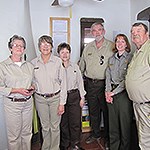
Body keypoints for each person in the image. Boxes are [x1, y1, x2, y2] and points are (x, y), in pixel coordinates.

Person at [79, 22, 114, 146]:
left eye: (100, 30)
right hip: (90, 84)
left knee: (107, 112)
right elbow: (81, 66)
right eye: (94, 30)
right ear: (91, 33)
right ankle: (95, 134)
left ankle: (108, 137)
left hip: (106, 85)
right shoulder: (88, 47)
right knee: (93, 111)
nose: (97, 32)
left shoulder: (112, 46)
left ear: (103, 31)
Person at [31, 35, 67, 150]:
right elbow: (33, 82)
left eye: (48, 44)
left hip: (55, 99)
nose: (45, 46)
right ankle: (46, 148)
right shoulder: (33, 63)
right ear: (39, 47)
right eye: (42, 44)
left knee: (55, 127)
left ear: (51, 47)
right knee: (45, 127)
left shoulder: (57, 61)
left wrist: (62, 103)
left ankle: (55, 148)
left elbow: (63, 83)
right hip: (40, 99)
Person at [0, 35, 34, 150]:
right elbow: (0, 87)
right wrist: (17, 90)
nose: (19, 47)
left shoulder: (29, 66)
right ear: (10, 48)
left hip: (28, 104)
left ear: (24, 49)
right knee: (14, 136)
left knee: (27, 134)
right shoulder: (3, 66)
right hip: (12, 105)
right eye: (16, 45)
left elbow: (34, 82)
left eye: (21, 46)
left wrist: (33, 88)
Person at [105, 34, 133, 150]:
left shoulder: (131, 58)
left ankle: (124, 148)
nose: (120, 44)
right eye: (117, 41)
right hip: (111, 93)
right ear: (115, 44)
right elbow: (107, 76)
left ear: (126, 44)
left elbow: (127, 79)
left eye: (122, 41)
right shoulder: (111, 59)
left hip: (123, 94)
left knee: (124, 124)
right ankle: (114, 147)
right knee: (113, 124)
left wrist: (113, 92)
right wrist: (107, 92)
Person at [126, 22, 150, 150]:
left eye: (139, 31)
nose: (135, 34)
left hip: (147, 105)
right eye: (132, 32)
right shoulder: (137, 51)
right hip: (138, 104)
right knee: (143, 137)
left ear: (147, 34)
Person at [57, 43, 86, 150]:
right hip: (61, 98)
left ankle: (75, 144)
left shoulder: (75, 67)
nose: (65, 55)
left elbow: (80, 82)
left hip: (74, 96)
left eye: (67, 52)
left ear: (70, 54)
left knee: (75, 122)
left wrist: (82, 97)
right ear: (58, 54)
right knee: (63, 123)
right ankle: (64, 144)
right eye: (62, 52)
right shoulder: (56, 67)